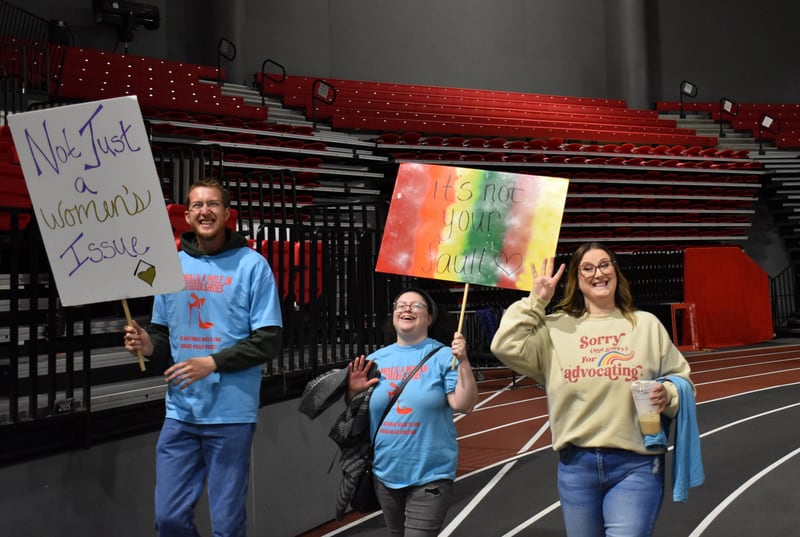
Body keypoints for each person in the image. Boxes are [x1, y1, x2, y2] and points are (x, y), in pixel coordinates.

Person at [490, 242, 694, 537]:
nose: (598, 273)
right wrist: (536, 300)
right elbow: (504, 345)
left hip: (636, 464)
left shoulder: (646, 326)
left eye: (605, 264)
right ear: (576, 278)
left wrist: (669, 394)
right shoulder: (555, 329)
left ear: (615, 270)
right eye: (588, 268)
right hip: (577, 467)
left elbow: (683, 380)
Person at [123, 178, 283, 537]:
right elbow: (163, 334)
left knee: (226, 526)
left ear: (227, 214)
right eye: (196, 205)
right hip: (181, 413)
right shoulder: (171, 266)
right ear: (187, 215)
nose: (204, 211)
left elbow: (269, 339)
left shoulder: (252, 266)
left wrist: (212, 362)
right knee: (168, 520)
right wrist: (147, 344)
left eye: (212, 204)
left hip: (231, 415)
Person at [347, 287, 480, 536]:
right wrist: (355, 392)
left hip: (429, 475)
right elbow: (358, 416)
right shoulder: (376, 360)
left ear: (429, 318)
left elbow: (464, 404)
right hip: (384, 473)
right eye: (400, 305)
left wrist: (463, 361)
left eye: (416, 305)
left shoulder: (443, 356)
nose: (407, 308)